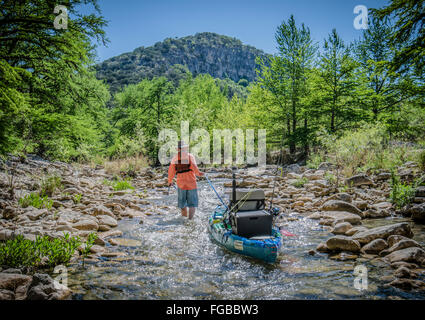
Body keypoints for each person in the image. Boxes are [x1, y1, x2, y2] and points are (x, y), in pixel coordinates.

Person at [168, 141, 204, 219]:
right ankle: (190, 220)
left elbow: (171, 171)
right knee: (192, 204)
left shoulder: (174, 158)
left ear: (178, 149)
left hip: (181, 183)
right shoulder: (190, 156)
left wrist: (170, 181)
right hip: (191, 182)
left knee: (182, 204)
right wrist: (199, 173)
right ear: (185, 148)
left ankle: (184, 220)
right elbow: (194, 168)